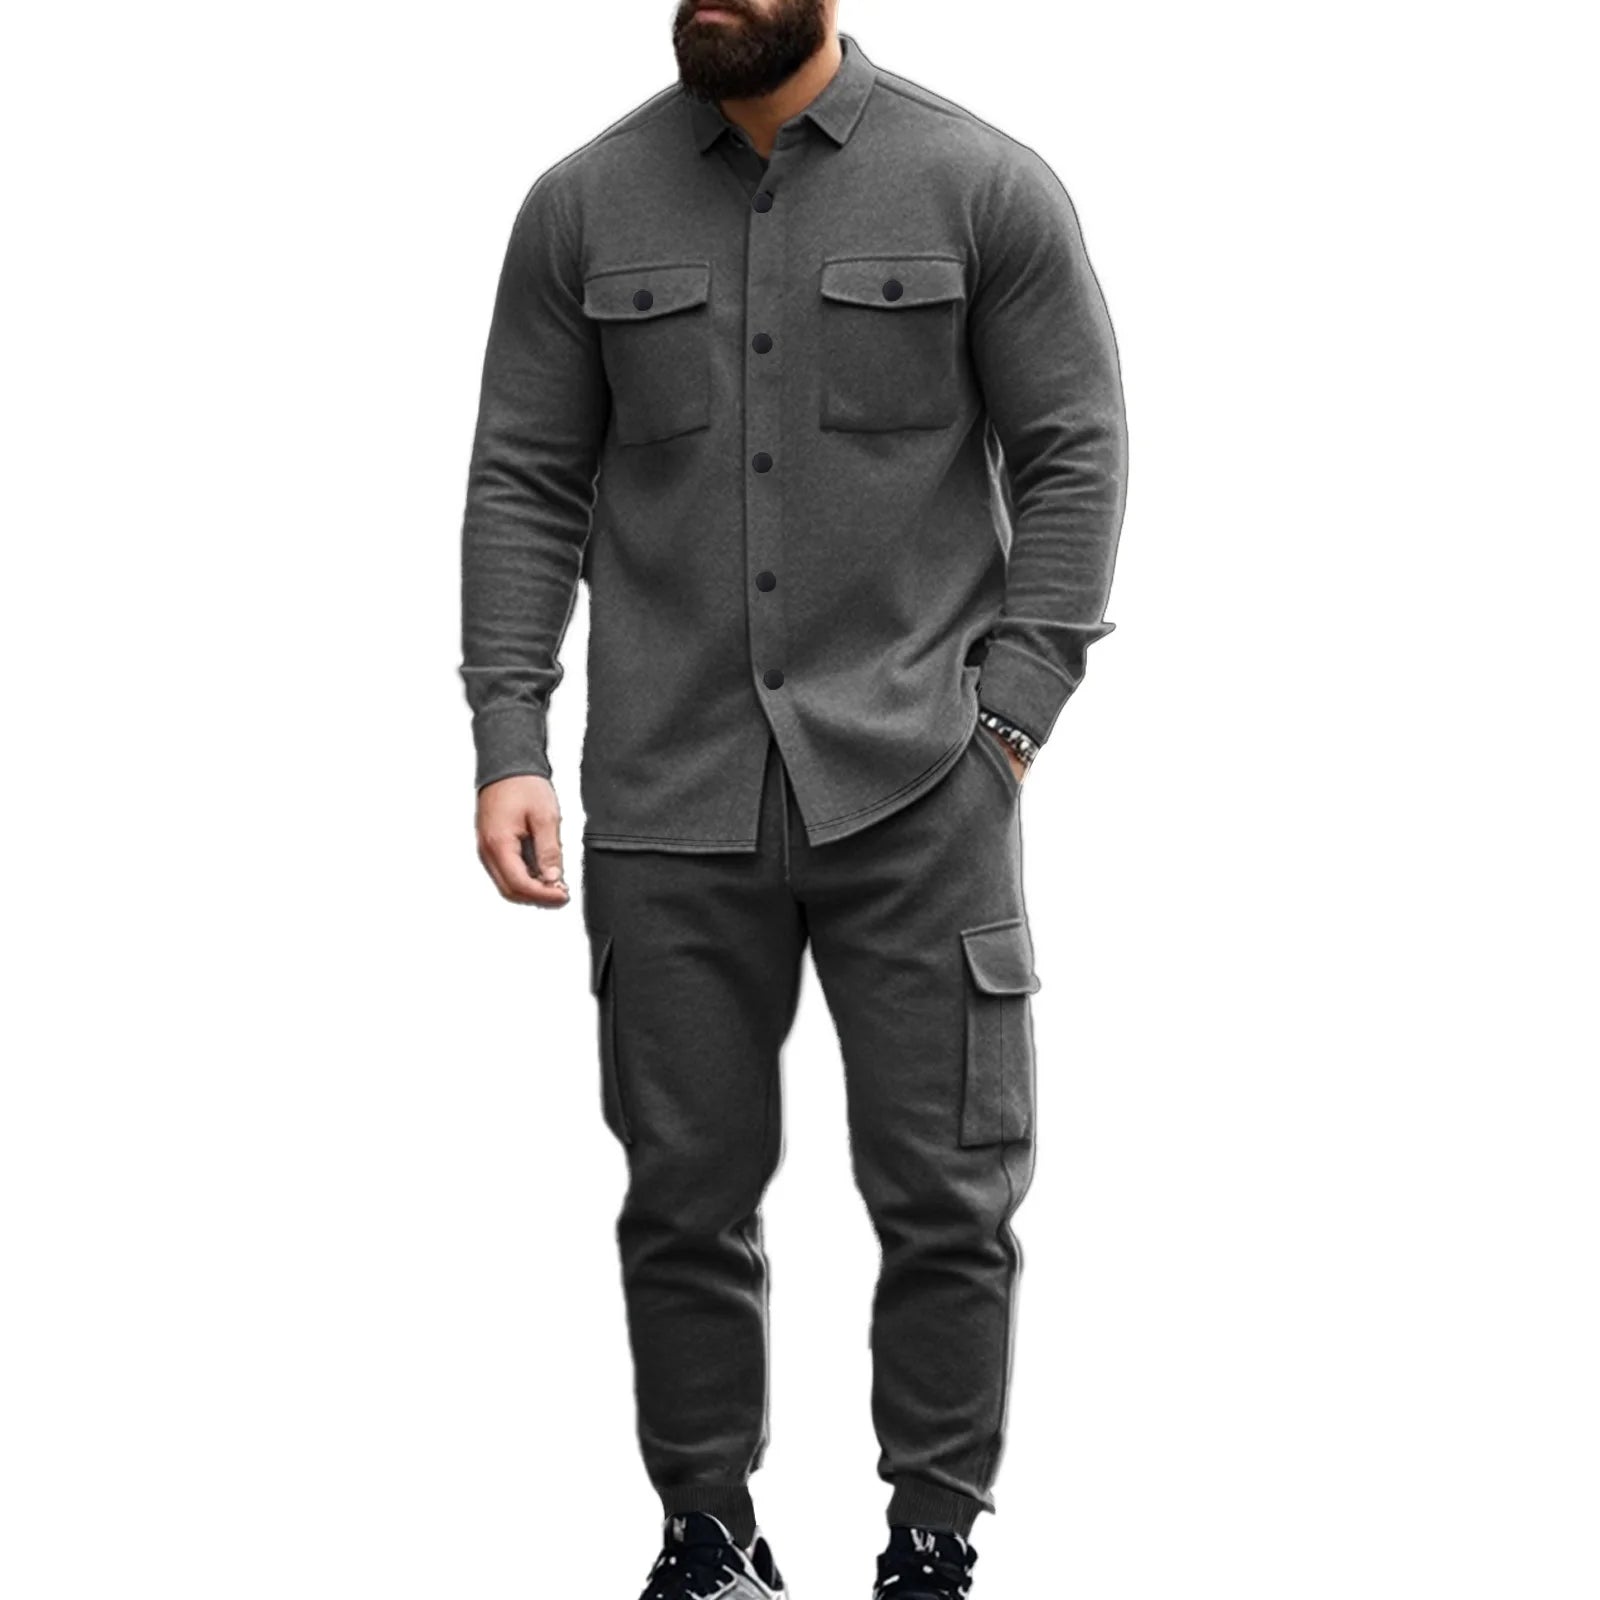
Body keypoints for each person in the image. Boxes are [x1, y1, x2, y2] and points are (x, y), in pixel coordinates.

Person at [459, 2, 1127, 1594]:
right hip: (666, 796)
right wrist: (509, 735)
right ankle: (708, 1539)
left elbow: (1076, 451)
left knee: (949, 1197)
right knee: (680, 1198)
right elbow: (524, 478)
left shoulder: (984, 186)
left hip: (921, 788)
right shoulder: (580, 206)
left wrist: (1014, 716)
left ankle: (931, 1546)